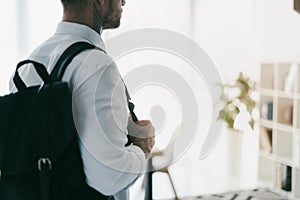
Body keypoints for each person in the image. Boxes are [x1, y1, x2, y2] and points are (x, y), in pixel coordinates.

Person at [9, 0, 155, 199]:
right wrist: (141, 147)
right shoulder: (97, 66)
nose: (123, 1)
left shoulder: (28, 66)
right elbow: (108, 177)